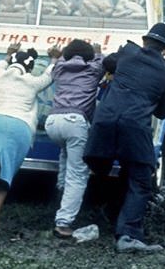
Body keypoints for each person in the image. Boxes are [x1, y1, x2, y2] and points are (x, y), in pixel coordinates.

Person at [83, 23, 165, 254]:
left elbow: (107, 62)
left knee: (100, 169)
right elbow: (163, 112)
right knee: (141, 179)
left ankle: (96, 214)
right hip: (134, 127)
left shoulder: (126, 53)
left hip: (104, 122)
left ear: (145, 41)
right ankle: (128, 234)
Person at [0, 43, 59, 247]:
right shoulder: (32, 82)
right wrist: (54, 58)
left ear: (12, 63)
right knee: (6, 173)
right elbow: (51, 74)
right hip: (19, 126)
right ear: (29, 68)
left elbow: (2, 63)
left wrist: (8, 54)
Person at [44, 39, 105, 238]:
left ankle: (61, 196)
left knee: (65, 156)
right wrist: (97, 52)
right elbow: (101, 60)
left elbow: (57, 59)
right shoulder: (93, 70)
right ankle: (63, 222)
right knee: (77, 175)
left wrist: (57, 55)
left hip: (53, 121)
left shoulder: (59, 68)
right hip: (75, 120)